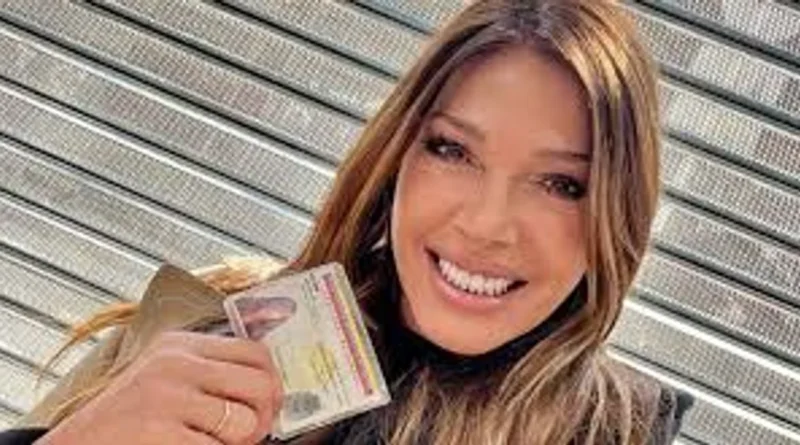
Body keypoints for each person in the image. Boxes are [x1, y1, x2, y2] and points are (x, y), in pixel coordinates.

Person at [1, 0, 694, 443]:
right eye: (452, 150)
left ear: (616, 214)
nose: (488, 224)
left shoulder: (613, 432)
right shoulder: (213, 321)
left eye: (562, 184)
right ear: (397, 156)